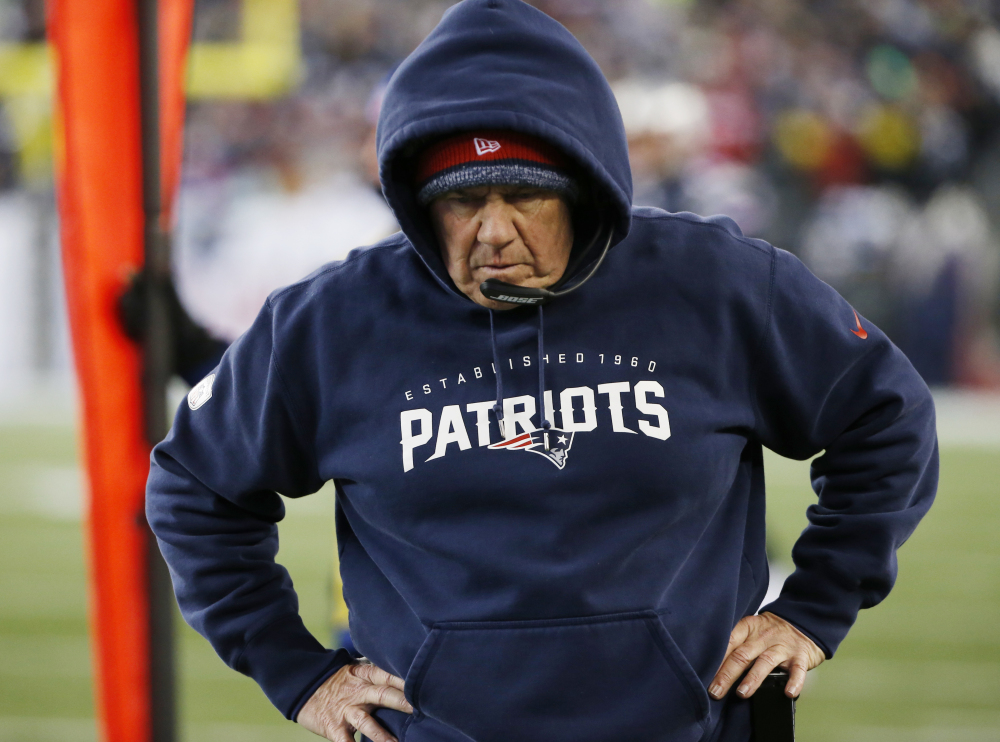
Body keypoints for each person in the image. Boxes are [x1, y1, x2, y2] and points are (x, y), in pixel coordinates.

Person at [145, 2, 938, 741]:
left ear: (585, 189)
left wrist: (812, 608)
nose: (492, 229)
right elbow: (194, 485)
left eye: (524, 194)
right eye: (460, 200)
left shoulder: (719, 282)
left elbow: (886, 416)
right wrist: (300, 673)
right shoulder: (333, 320)